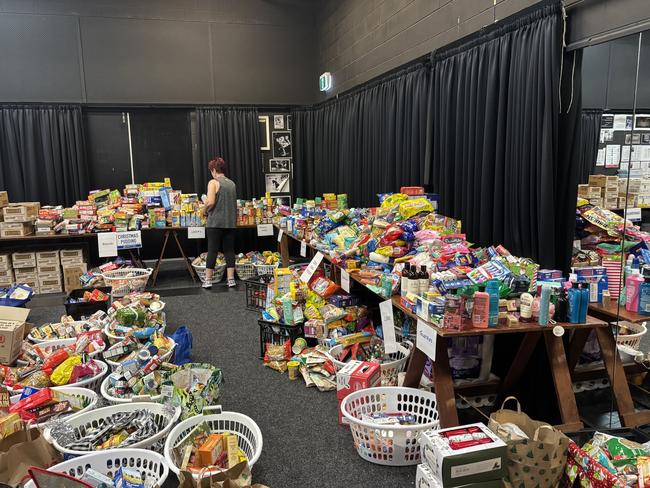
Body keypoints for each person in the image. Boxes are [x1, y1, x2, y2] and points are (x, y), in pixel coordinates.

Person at [203, 157, 237, 288]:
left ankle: (207, 280)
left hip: (215, 223)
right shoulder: (232, 184)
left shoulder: (213, 182)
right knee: (229, 250)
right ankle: (231, 279)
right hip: (230, 222)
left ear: (213, 170)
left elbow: (211, 202)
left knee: (212, 251)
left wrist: (204, 209)